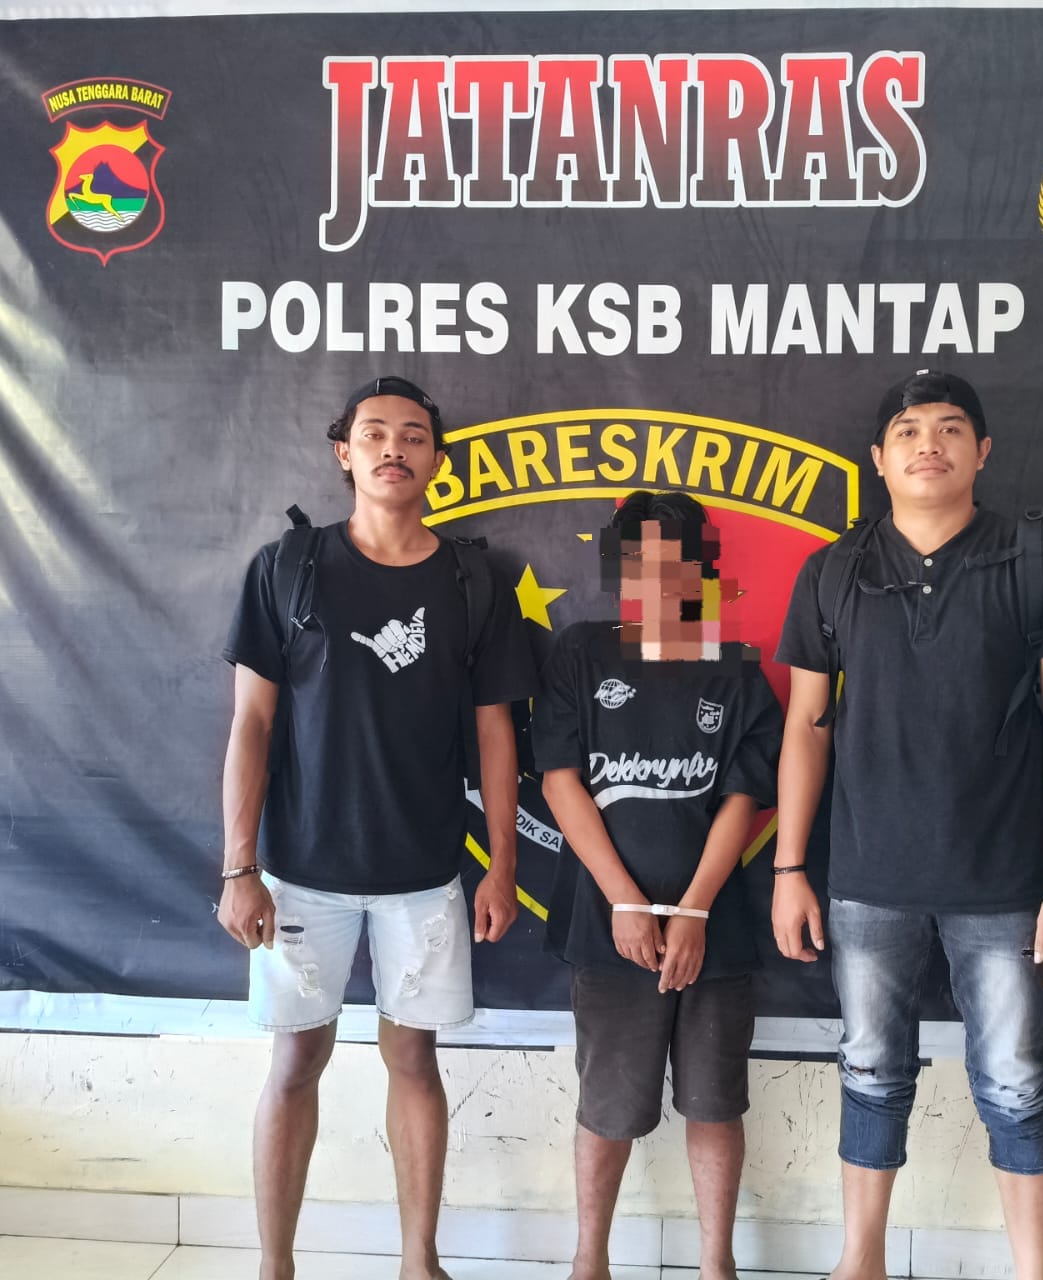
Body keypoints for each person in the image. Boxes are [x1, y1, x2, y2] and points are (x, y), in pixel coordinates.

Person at [772, 371, 1043, 1280]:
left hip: (1005, 880)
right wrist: (789, 869)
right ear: (877, 459)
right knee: (871, 1071)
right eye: (909, 430)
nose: (929, 444)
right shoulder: (834, 569)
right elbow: (805, 727)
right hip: (868, 877)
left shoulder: (1034, 556)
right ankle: (861, 1261)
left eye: (951, 428)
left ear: (982, 451)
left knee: (1017, 1081)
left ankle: (1032, 1273)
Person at [217, 375, 536, 1280]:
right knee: (294, 1064)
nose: (394, 447)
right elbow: (250, 724)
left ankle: (418, 1263)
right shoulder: (287, 567)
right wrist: (239, 867)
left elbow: (496, 732)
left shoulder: (475, 580)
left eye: (414, 435)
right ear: (344, 452)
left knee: (415, 1061)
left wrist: (502, 864)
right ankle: (275, 1265)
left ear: (436, 460)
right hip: (299, 870)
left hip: (425, 873)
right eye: (374, 433)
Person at [533, 491, 784, 1280]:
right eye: (638, 558)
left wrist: (695, 909)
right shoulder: (580, 653)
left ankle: (717, 1265)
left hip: (715, 928)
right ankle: (589, 1262)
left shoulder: (735, 669)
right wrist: (626, 899)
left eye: (673, 558)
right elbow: (561, 780)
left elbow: (743, 798)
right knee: (608, 1106)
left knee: (715, 1101)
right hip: (609, 927)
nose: (655, 574)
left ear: (701, 568)